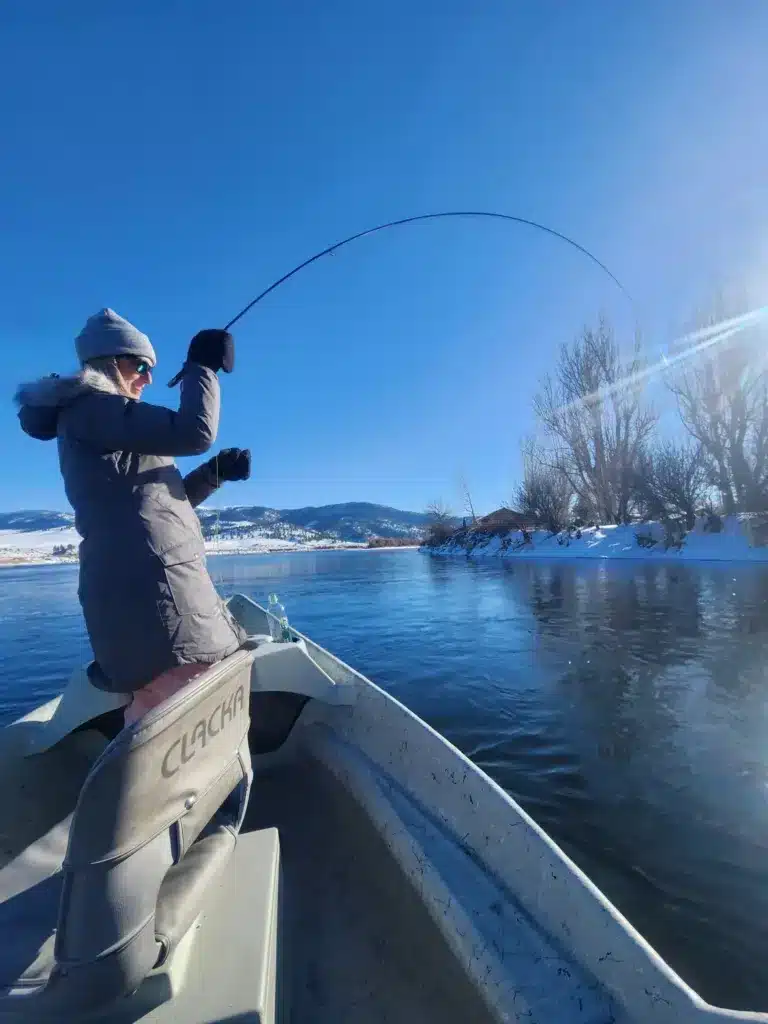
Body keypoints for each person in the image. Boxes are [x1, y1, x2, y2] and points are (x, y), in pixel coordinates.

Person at [15, 308, 251, 725]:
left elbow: (157, 506)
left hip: (148, 603)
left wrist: (215, 475)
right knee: (188, 724)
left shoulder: (98, 421)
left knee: (158, 721)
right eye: (140, 365)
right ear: (110, 363)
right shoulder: (94, 408)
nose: (147, 378)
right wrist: (201, 367)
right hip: (157, 609)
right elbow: (195, 432)